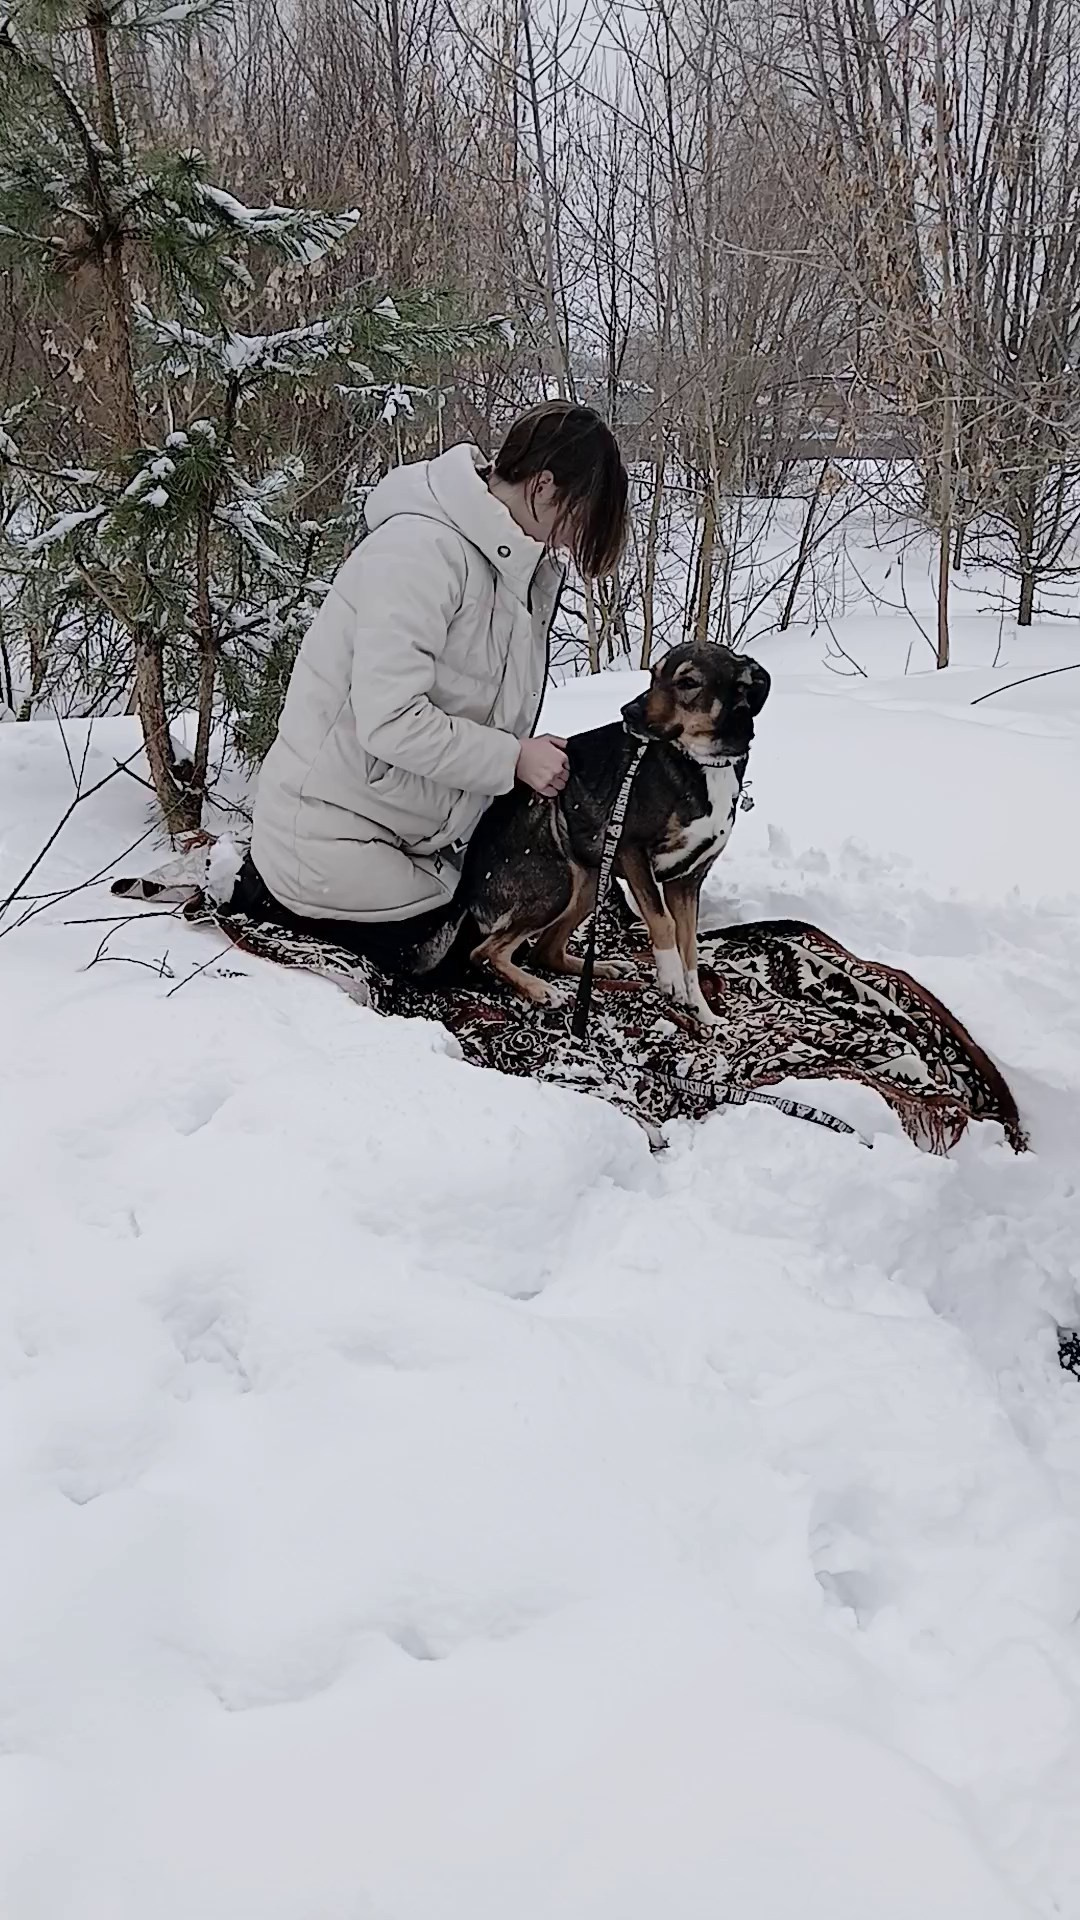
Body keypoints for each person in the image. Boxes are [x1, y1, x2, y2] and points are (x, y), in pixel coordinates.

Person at [235, 400, 629, 974]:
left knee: (522, 904)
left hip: (410, 832)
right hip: (330, 841)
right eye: (577, 519)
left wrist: (522, 753)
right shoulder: (421, 552)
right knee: (459, 952)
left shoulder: (516, 564)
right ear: (543, 486)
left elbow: (471, 701)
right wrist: (511, 757)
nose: (571, 541)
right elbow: (391, 720)